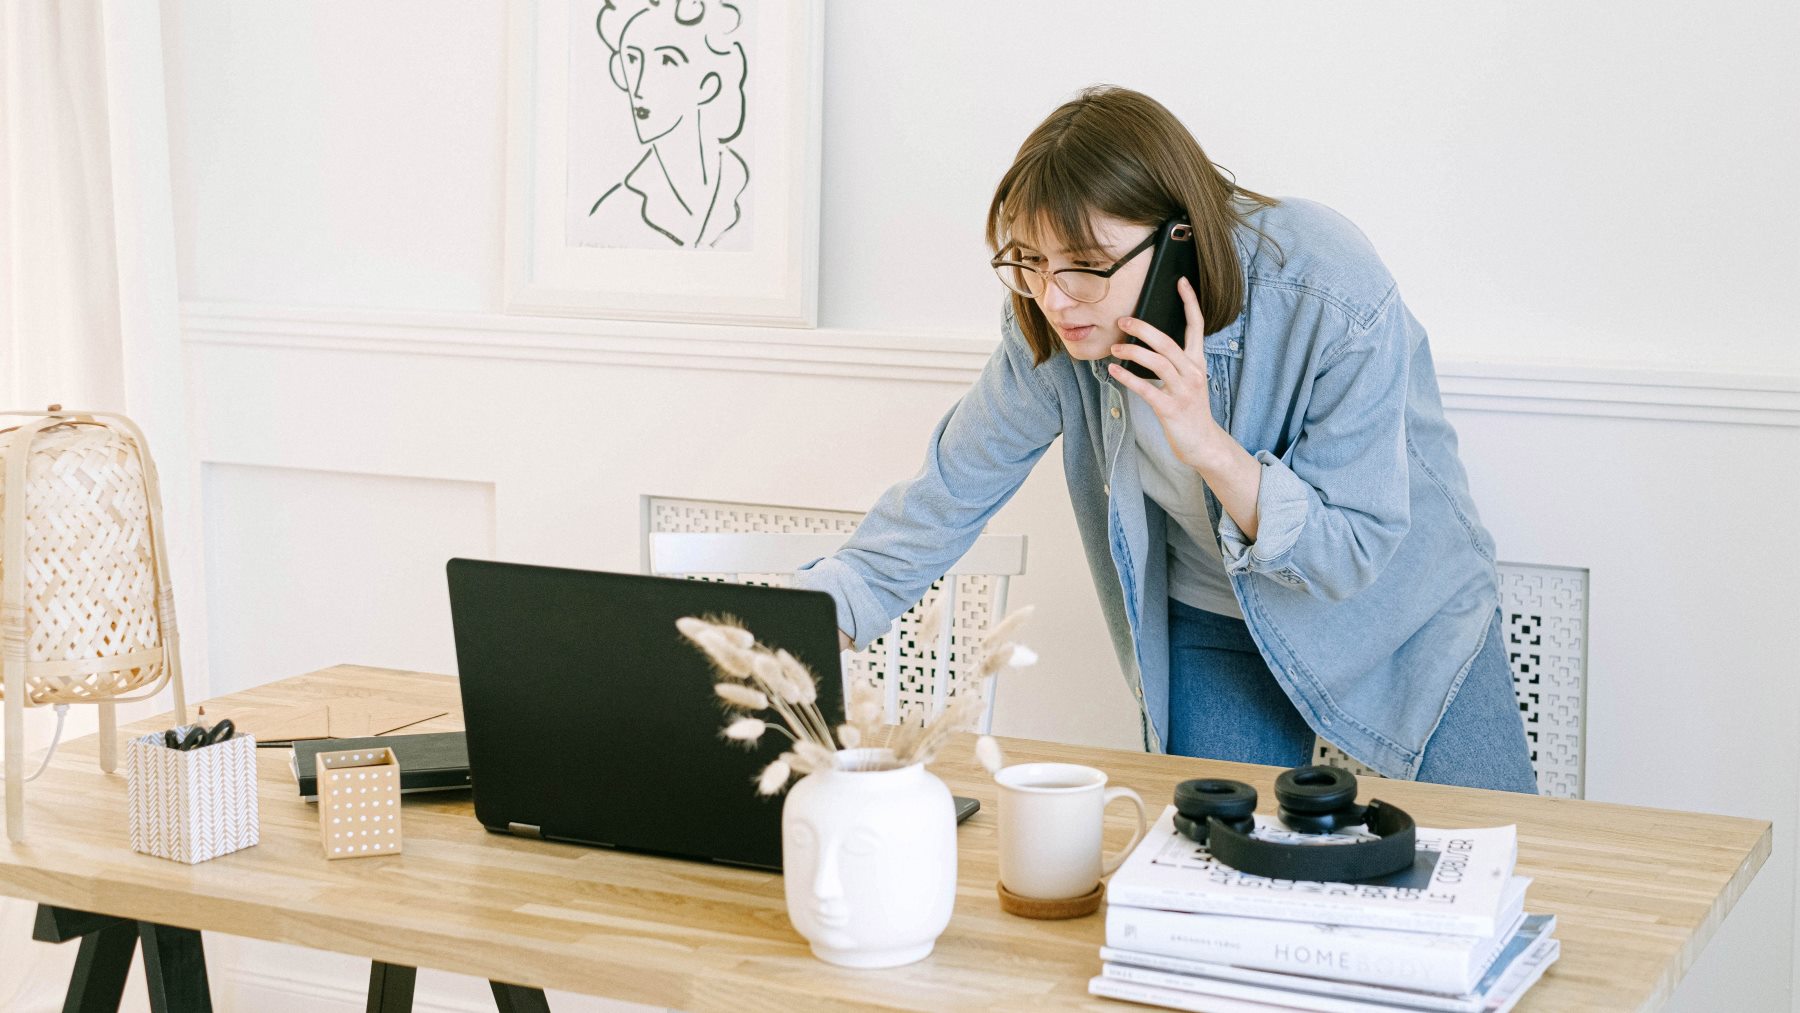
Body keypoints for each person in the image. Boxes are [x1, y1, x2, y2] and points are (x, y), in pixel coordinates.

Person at [795, 86, 1537, 793]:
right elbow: (946, 497)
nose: (1055, 297)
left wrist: (1207, 443)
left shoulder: (1325, 285)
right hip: (1214, 620)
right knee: (1205, 887)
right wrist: (797, 625)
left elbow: (1351, 549)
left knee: (1508, 859)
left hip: (1402, 613)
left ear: (1179, 237)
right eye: (1030, 260)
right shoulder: (1053, 321)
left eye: (1086, 265)